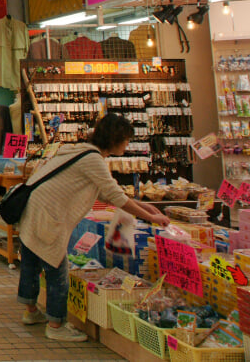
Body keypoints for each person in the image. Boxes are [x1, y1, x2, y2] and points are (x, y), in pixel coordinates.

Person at [17, 113, 169, 342]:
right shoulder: (93, 159)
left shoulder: (80, 150)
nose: (127, 145)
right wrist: (152, 218)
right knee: (57, 268)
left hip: (34, 208)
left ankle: (31, 312)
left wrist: (144, 207)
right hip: (50, 215)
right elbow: (116, 196)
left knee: (31, 259)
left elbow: (106, 193)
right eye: (126, 140)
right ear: (115, 139)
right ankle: (55, 325)